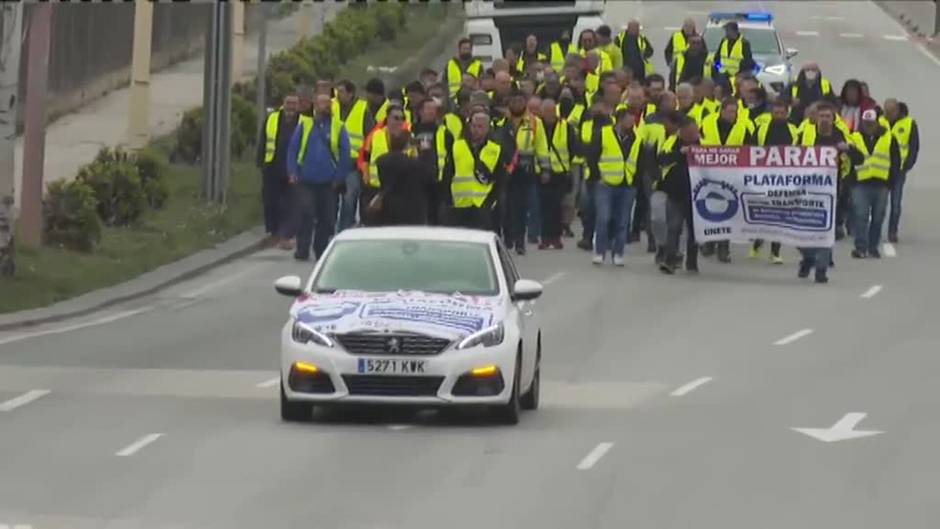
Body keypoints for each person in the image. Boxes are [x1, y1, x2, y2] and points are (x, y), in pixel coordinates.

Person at [796, 102, 861, 282]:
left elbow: (859, 159)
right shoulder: (805, 133)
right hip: (806, 190)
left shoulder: (841, 135)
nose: (824, 119)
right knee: (801, 231)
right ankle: (808, 258)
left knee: (826, 230)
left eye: (828, 116)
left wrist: (848, 149)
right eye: (821, 116)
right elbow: (788, 156)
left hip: (832, 192)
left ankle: (821, 269)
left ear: (833, 118)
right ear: (815, 118)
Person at [287, 93, 350, 261]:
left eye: (328, 103)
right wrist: (292, 172)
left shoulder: (338, 127)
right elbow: (293, 149)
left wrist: (339, 177)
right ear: (315, 105)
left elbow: (345, 154)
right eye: (322, 103)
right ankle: (302, 248)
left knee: (326, 218)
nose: (325, 106)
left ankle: (320, 249)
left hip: (328, 182)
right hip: (305, 180)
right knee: (306, 212)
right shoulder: (305, 125)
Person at [700, 97, 754, 262]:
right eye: (730, 111)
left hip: (731, 176)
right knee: (710, 208)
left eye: (735, 112)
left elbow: (750, 151)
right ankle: (709, 242)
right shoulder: (707, 123)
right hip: (709, 174)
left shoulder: (742, 128)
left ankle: (724, 247)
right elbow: (698, 143)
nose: (733, 115)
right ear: (722, 111)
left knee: (727, 212)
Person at [588, 106, 642, 266]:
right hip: (605, 183)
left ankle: (618, 253)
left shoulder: (636, 138)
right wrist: (596, 177)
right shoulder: (603, 134)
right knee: (603, 217)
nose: (632, 124)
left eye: (633, 121)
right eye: (629, 120)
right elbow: (592, 156)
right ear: (620, 120)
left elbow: (640, 161)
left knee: (623, 221)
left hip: (627, 184)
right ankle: (600, 251)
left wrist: (636, 182)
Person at [751, 99, 800, 263]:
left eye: (782, 113)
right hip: (763, 178)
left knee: (779, 216)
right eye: (776, 113)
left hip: (785, 179)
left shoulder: (794, 130)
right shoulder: (761, 129)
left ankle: (775, 252)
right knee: (763, 214)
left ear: (787, 114)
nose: (779, 116)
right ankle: (757, 243)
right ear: (771, 113)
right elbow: (750, 150)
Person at [850, 109, 900, 259]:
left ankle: (873, 247)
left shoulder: (889, 137)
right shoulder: (854, 137)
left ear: (877, 123)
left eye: (871, 123)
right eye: (866, 123)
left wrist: (891, 181)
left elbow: (895, 161)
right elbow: (848, 160)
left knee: (878, 217)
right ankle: (861, 247)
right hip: (860, 183)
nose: (868, 126)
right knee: (861, 215)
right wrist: (849, 181)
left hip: (881, 184)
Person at [504, 87, 549, 255]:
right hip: (505, 170)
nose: (517, 104)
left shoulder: (535, 123)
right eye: (514, 101)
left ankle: (519, 242)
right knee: (506, 207)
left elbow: (542, 147)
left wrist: (545, 169)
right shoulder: (501, 122)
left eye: (520, 101)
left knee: (521, 208)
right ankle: (507, 239)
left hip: (525, 170)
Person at [444, 111, 505, 229]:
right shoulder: (457, 146)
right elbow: (448, 174)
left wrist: (489, 204)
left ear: (488, 128)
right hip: (459, 206)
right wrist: (448, 201)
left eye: (480, 127)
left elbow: (500, 180)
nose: (476, 130)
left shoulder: (495, 149)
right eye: (474, 126)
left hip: (482, 207)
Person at [656, 114, 700, 273]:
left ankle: (692, 262)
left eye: (695, 131)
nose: (693, 135)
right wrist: (680, 153)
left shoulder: (705, 144)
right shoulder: (671, 142)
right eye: (690, 132)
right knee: (673, 227)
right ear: (682, 131)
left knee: (694, 230)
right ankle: (670, 260)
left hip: (696, 195)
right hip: (675, 192)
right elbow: (661, 159)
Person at [257, 93, 300, 250]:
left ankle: (285, 235)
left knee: (291, 204)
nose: (291, 107)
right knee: (271, 201)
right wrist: (260, 162)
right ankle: (273, 232)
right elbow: (263, 140)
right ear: (283, 103)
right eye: (288, 103)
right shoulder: (272, 118)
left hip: (294, 169)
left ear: (298, 105)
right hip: (272, 166)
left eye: (294, 103)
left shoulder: (304, 121)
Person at [333, 80, 375, 231]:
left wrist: (363, 161)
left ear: (350, 93)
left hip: (353, 163)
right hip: (334, 161)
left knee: (349, 198)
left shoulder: (362, 109)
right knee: (332, 200)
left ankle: (344, 229)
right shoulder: (333, 106)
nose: (338, 95)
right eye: (337, 91)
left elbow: (370, 136)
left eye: (342, 92)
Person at [358, 105, 411, 222]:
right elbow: (365, 158)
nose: (399, 122)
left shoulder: (408, 138)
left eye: (402, 118)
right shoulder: (375, 135)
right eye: (396, 118)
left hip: (399, 190)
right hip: (375, 188)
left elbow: (414, 161)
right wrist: (366, 179)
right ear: (387, 118)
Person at [373, 130, 436, 226]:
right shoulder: (412, 165)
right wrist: (426, 152)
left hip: (389, 209)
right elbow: (429, 173)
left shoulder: (381, 161)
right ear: (407, 145)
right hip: (412, 212)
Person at [539, 98, 578, 249]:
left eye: (551, 111)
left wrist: (567, 165)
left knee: (556, 207)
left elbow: (573, 147)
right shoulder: (537, 125)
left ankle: (555, 237)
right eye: (546, 111)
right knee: (544, 207)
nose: (549, 114)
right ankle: (545, 238)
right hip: (542, 172)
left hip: (560, 173)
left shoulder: (565, 126)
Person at [882, 98, 919, 242]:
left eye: (891, 111)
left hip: (899, 170)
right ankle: (875, 229)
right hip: (882, 169)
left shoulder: (909, 124)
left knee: (896, 203)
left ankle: (893, 231)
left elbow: (913, 146)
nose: (888, 114)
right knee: (880, 204)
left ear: (897, 110)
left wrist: (908, 164)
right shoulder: (880, 122)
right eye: (886, 111)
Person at [712, 21, 755, 95]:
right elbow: (717, 57)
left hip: (737, 76)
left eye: (728, 31)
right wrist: (719, 68)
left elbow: (748, 61)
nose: (726, 33)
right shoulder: (724, 41)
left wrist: (741, 74)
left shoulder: (744, 43)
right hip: (723, 75)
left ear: (734, 31)